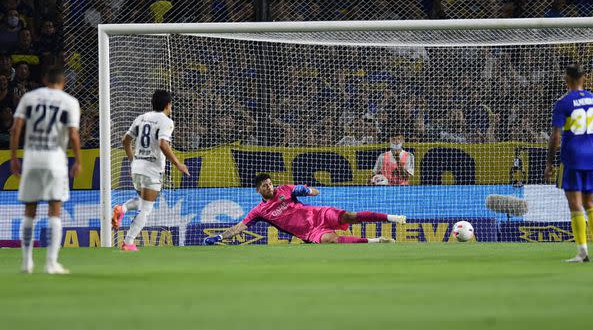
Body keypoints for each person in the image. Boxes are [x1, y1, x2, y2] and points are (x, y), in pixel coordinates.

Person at [10, 67, 81, 274]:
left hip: (31, 159)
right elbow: (74, 134)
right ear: (63, 82)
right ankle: (51, 263)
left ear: (43, 79)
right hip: (55, 161)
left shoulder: (29, 98)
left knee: (29, 210)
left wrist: (14, 158)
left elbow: (15, 129)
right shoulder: (69, 102)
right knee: (54, 209)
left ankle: (26, 262)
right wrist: (78, 160)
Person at [204, 173, 407, 245]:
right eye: (265, 186)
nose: (270, 186)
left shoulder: (285, 189)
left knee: (350, 216)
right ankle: (377, 241)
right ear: (258, 191)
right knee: (332, 241)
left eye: (270, 183)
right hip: (310, 232)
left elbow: (315, 192)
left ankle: (392, 217)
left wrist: (306, 190)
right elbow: (240, 227)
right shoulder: (259, 211)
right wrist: (220, 237)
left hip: (318, 214)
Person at [111, 90, 189, 251]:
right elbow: (163, 144)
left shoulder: (141, 118)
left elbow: (125, 140)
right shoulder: (166, 121)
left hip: (137, 168)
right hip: (152, 169)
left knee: (143, 200)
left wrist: (133, 159)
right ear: (168, 105)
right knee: (146, 208)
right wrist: (178, 164)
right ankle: (128, 242)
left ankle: (122, 208)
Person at [545, 63, 593, 262]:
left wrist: (549, 163)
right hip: (590, 156)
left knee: (575, 204)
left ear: (567, 80)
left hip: (572, 156)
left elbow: (555, 136)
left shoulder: (563, 102)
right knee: (590, 203)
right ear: (584, 79)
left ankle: (582, 252)